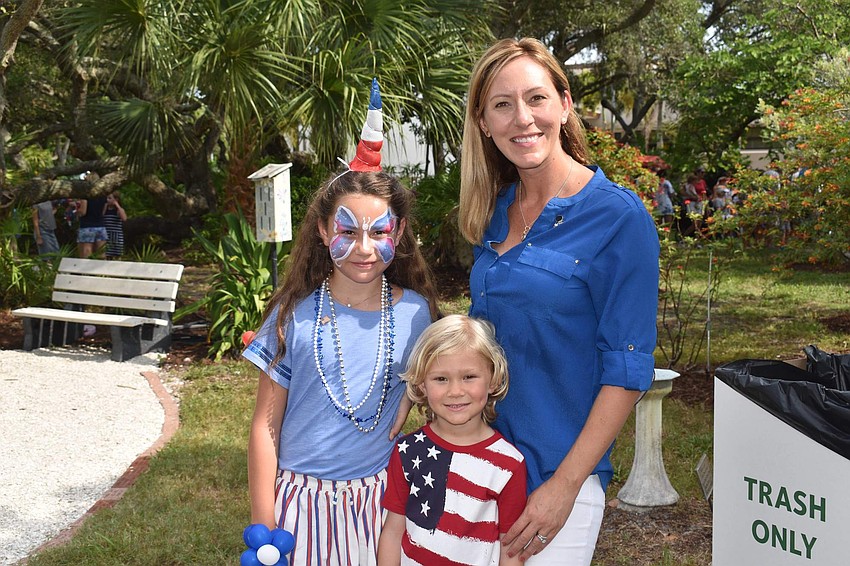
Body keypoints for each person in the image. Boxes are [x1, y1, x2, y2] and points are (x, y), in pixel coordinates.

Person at [458, 38, 659, 565]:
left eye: (536, 98)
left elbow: (628, 369)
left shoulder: (618, 219)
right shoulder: (494, 212)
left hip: (554, 480)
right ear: (483, 122)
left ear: (565, 104)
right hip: (479, 467)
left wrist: (565, 487)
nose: (522, 118)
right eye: (502, 104)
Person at [242, 78, 441, 566]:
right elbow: (265, 429)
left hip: (380, 508)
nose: (364, 249)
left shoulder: (417, 314)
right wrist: (265, 528)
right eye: (347, 231)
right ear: (323, 229)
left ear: (399, 233)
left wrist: (414, 393)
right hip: (300, 510)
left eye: (379, 232)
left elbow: (451, 381)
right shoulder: (293, 315)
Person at [377, 315, 527, 566]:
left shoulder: (508, 464)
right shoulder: (408, 450)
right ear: (421, 384)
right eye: (441, 379)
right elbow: (393, 532)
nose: (455, 391)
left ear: (493, 379)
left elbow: (509, 549)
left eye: (469, 377)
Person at [76, 173, 108, 258]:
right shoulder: (103, 195)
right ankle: (102, 269)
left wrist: (76, 211)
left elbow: (83, 211)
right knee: (101, 252)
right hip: (100, 225)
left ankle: (86, 270)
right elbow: (103, 212)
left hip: (87, 226)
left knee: (87, 252)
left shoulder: (86, 195)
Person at [103, 191, 127, 259]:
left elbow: (124, 218)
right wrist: (105, 206)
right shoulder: (105, 208)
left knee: (117, 255)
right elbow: (101, 216)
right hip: (106, 235)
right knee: (106, 254)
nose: (107, 200)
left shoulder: (118, 210)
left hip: (116, 236)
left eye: (110, 198)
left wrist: (117, 205)